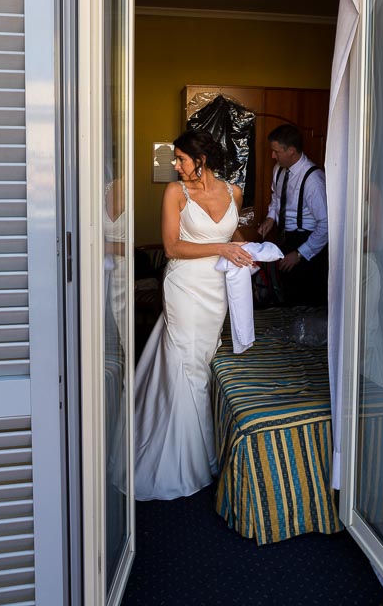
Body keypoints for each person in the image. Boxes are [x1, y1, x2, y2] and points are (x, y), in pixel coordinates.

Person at [134, 129, 254, 501]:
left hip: (216, 290)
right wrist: (222, 245)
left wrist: (248, 248)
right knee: (189, 364)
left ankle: (202, 449)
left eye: (181, 158)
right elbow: (171, 246)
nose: (175, 164)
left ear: (200, 160)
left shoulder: (234, 192)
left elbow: (234, 233)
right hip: (185, 287)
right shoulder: (176, 192)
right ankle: (186, 460)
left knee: (204, 361)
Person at [258, 124, 328, 306]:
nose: (273, 156)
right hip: (285, 238)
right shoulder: (279, 169)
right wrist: (270, 218)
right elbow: (277, 197)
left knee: (305, 299)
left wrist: (299, 254)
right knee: (287, 295)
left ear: (291, 151)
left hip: (308, 243)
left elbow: (326, 224)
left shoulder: (314, 180)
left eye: (276, 151)